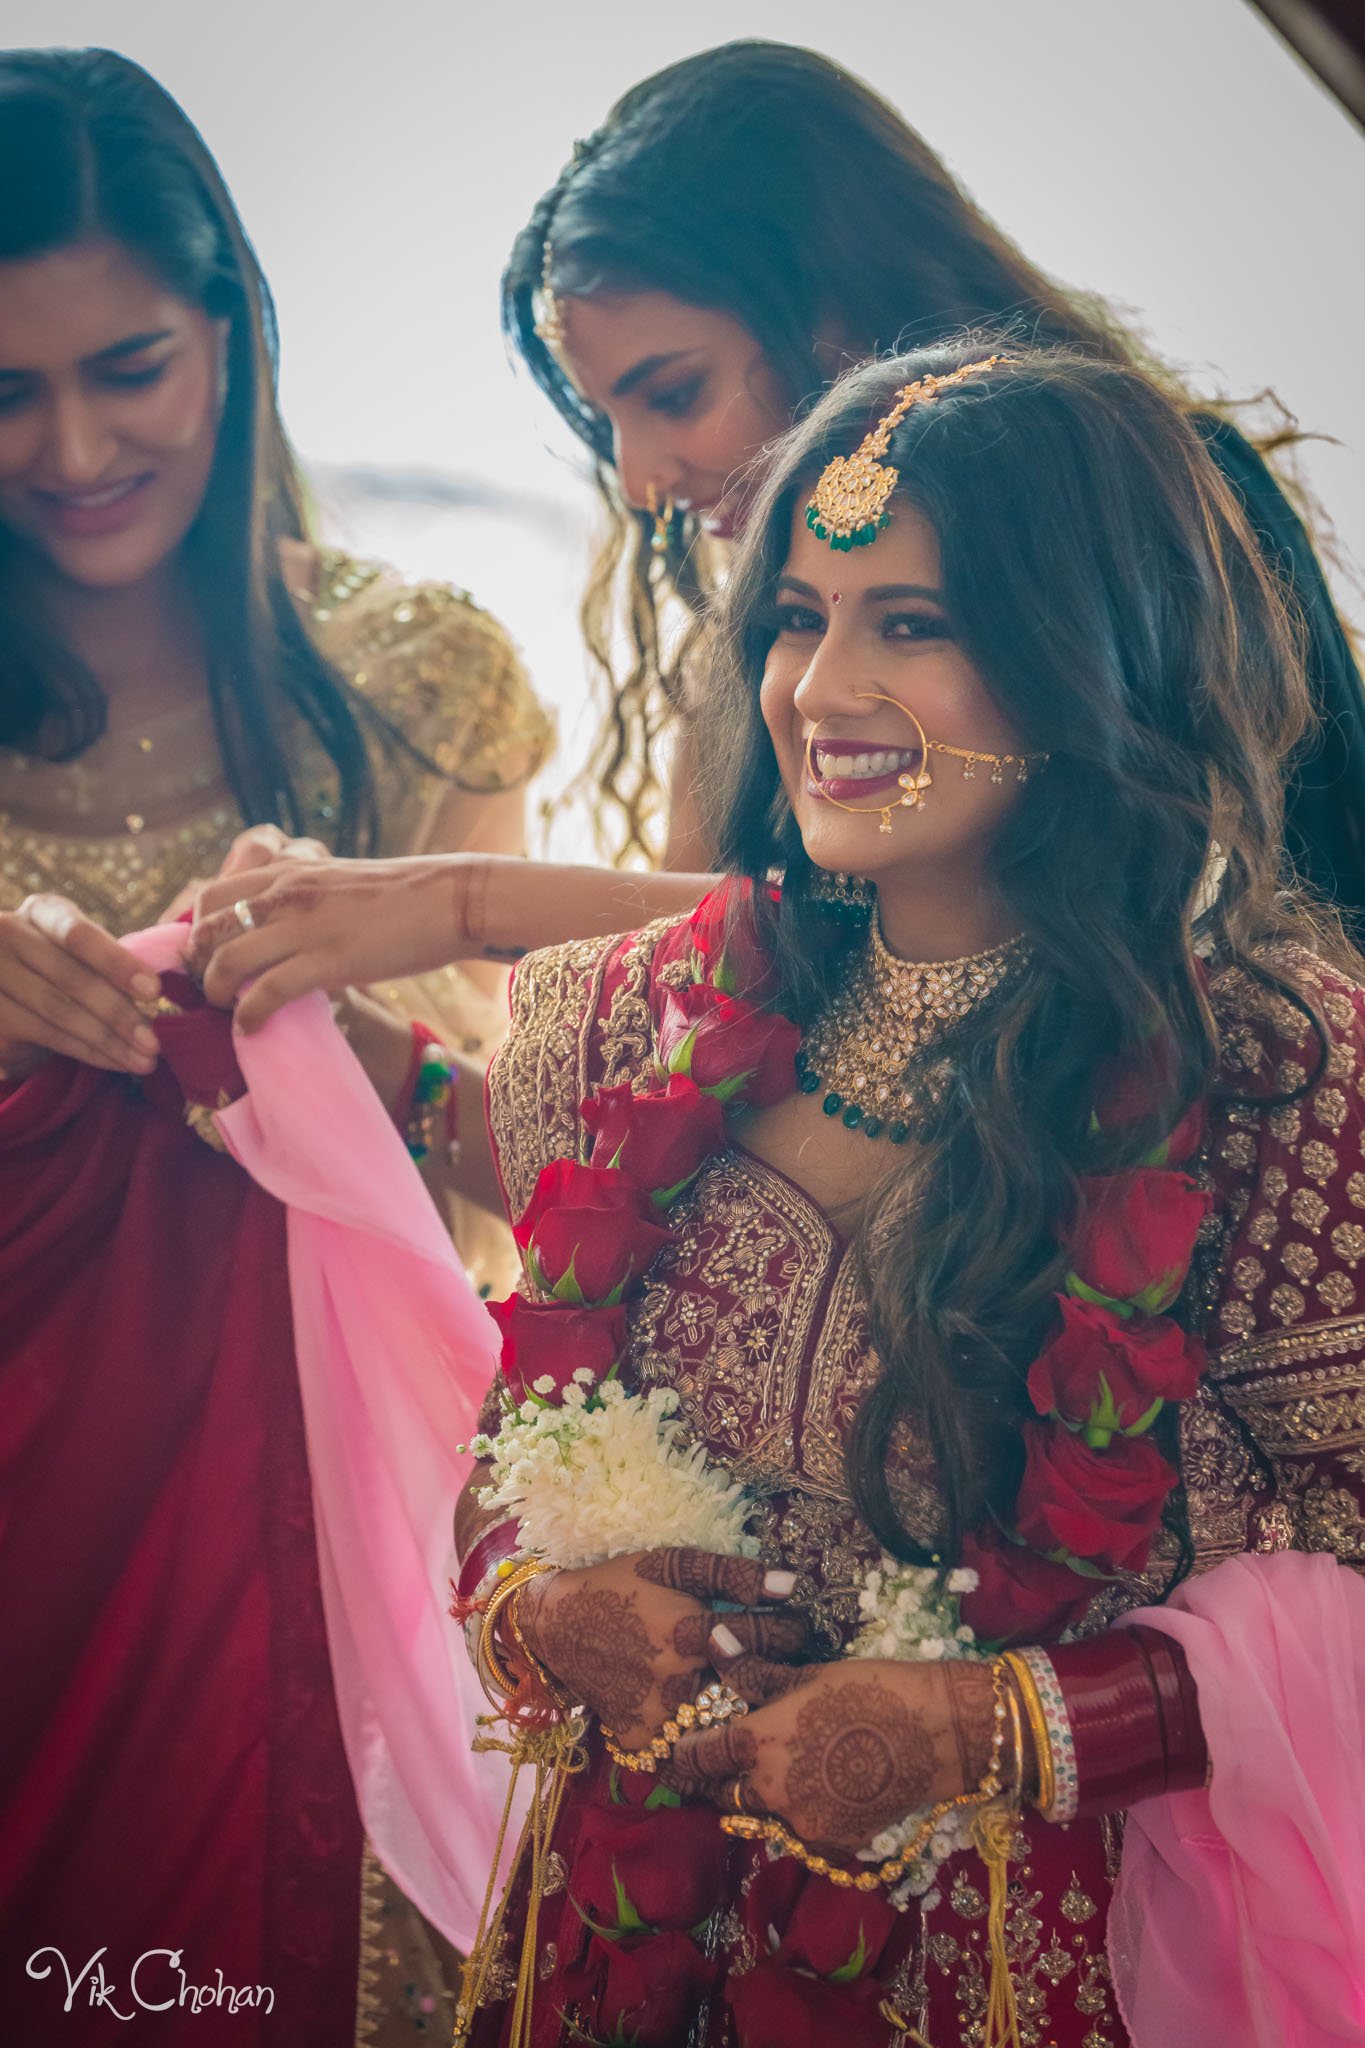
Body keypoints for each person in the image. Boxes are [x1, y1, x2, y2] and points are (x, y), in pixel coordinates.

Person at [201, 342, 1365, 2043]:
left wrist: (1005, 1726)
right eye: (797, 619)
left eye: (915, 623)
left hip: (1040, 1977)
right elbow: (523, 1442)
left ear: (1088, 654)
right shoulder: (637, 1008)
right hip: (614, 1940)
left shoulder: (1274, 1070)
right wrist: (548, 1604)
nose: (819, 686)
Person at [0, 47, 550, 2045]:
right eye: (3, 390)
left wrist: (349, 1010)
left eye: (126, 365)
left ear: (232, 325)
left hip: (371, 1583)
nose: (71, 445)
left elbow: (552, 1190)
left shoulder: (419, 688)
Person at [504, 37, 1365, 917]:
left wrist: (465, 902)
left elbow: (1315, 910)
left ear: (837, 305)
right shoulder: (771, 656)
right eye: (605, 422)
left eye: (675, 394)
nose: (638, 480)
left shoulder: (1173, 505)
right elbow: (691, 1000)